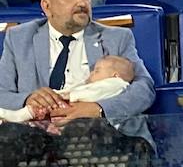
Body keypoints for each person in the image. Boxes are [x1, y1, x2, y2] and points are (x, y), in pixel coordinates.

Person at [0, 0, 155, 167]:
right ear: (47, 6)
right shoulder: (19, 38)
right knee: (7, 138)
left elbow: (144, 88)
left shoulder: (116, 37)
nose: (82, 2)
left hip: (95, 132)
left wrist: (98, 109)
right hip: (39, 134)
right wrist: (28, 98)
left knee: (82, 130)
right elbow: (1, 92)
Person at [0, 54, 133, 126]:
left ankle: (18, 117)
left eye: (97, 71)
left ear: (115, 75)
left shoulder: (116, 83)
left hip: (84, 114)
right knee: (45, 103)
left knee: (46, 105)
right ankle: (21, 118)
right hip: (70, 107)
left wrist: (71, 95)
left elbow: (94, 93)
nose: (92, 74)